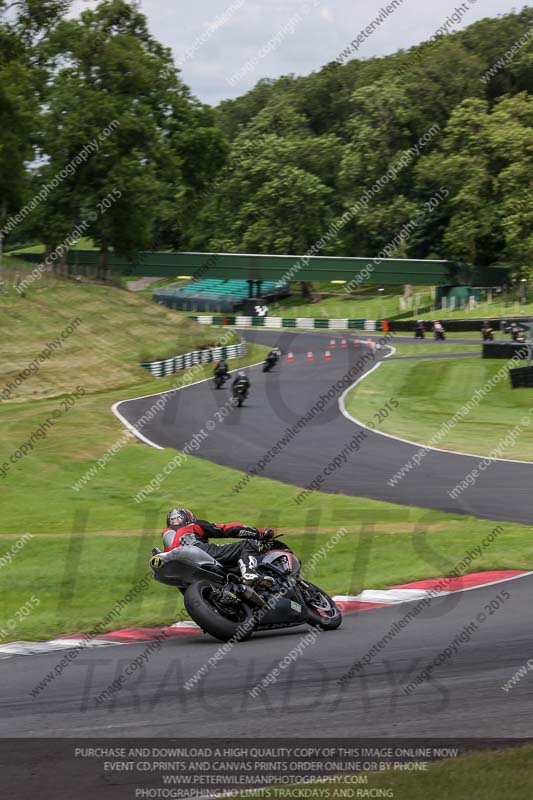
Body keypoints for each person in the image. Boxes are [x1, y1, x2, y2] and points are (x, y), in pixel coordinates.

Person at [150, 508, 274, 586]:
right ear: (189, 518)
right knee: (247, 545)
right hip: (197, 550)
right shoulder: (194, 525)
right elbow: (229, 529)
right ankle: (249, 573)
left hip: (173, 565)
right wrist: (260, 533)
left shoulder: (167, 536)